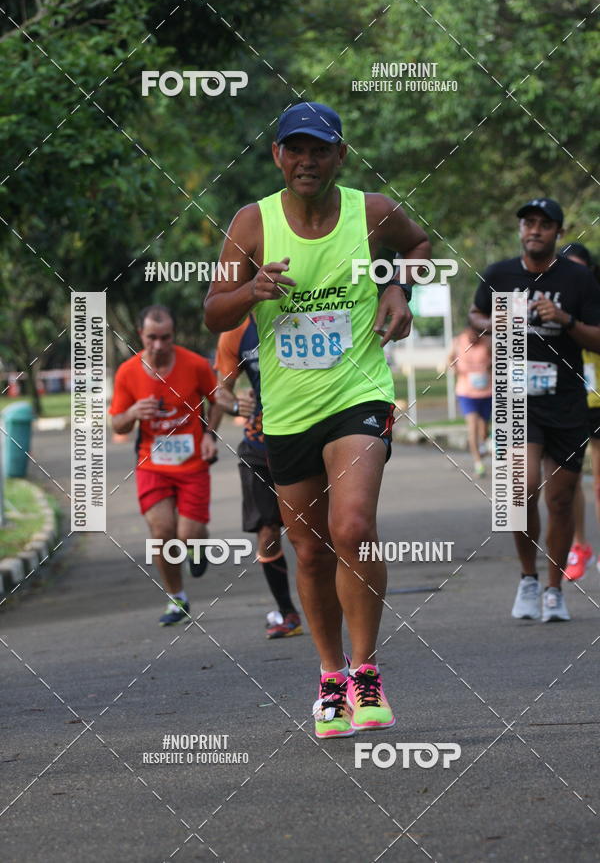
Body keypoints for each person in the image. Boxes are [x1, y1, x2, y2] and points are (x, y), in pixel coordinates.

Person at [205, 101, 431, 738]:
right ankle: (330, 677)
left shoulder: (372, 211)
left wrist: (397, 286)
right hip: (288, 409)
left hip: (358, 394)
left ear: (341, 156)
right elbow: (214, 312)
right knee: (307, 551)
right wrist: (249, 292)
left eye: (320, 149)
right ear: (277, 156)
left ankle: (366, 673)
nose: (307, 160)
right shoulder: (252, 224)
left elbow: (417, 245)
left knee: (353, 526)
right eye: (294, 149)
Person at [469, 199, 600, 622]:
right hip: (514, 396)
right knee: (519, 490)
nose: (536, 230)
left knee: (561, 501)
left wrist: (564, 319)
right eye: (529, 223)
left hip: (564, 399)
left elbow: (597, 338)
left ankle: (553, 588)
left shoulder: (578, 279)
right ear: (521, 229)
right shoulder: (499, 274)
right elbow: (476, 315)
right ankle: (527, 577)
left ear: (558, 232)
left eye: (545, 224)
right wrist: (503, 319)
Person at [109, 305, 220, 625]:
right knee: (162, 532)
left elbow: (218, 400)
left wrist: (210, 434)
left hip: (192, 464)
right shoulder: (128, 372)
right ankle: (177, 599)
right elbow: (118, 425)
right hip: (152, 463)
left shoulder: (195, 365)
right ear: (141, 335)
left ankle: (198, 544)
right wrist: (133, 413)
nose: (159, 345)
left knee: (187, 535)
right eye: (152, 338)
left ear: (173, 335)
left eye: (166, 338)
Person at [213, 314, 303, 638]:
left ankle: (333, 602)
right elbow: (220, 392)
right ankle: (287, 612)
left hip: (305, 435)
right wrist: (236, 405)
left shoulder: (302, 312)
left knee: (315, 531)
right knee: (267, 530)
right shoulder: (235, 332)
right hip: (259, 441)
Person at [560, 243, 600, 580]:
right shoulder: (550, 303)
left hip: (598, 399)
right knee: (568, 482)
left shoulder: (593, 301)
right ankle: (580, 546)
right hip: (568, 400)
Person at [449, 324, 492, 477]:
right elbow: (450, 359)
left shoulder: (487, 341)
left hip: (486, 391)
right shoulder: (458, 342)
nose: (473, 337)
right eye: (471, 334)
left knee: (483, 432)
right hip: (466, 391)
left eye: (476, 334)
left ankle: (483, 445)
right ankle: (478, 463)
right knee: (472, 425)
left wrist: (488, 369)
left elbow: (497, 360)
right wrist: (458, 370)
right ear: (466, 330)